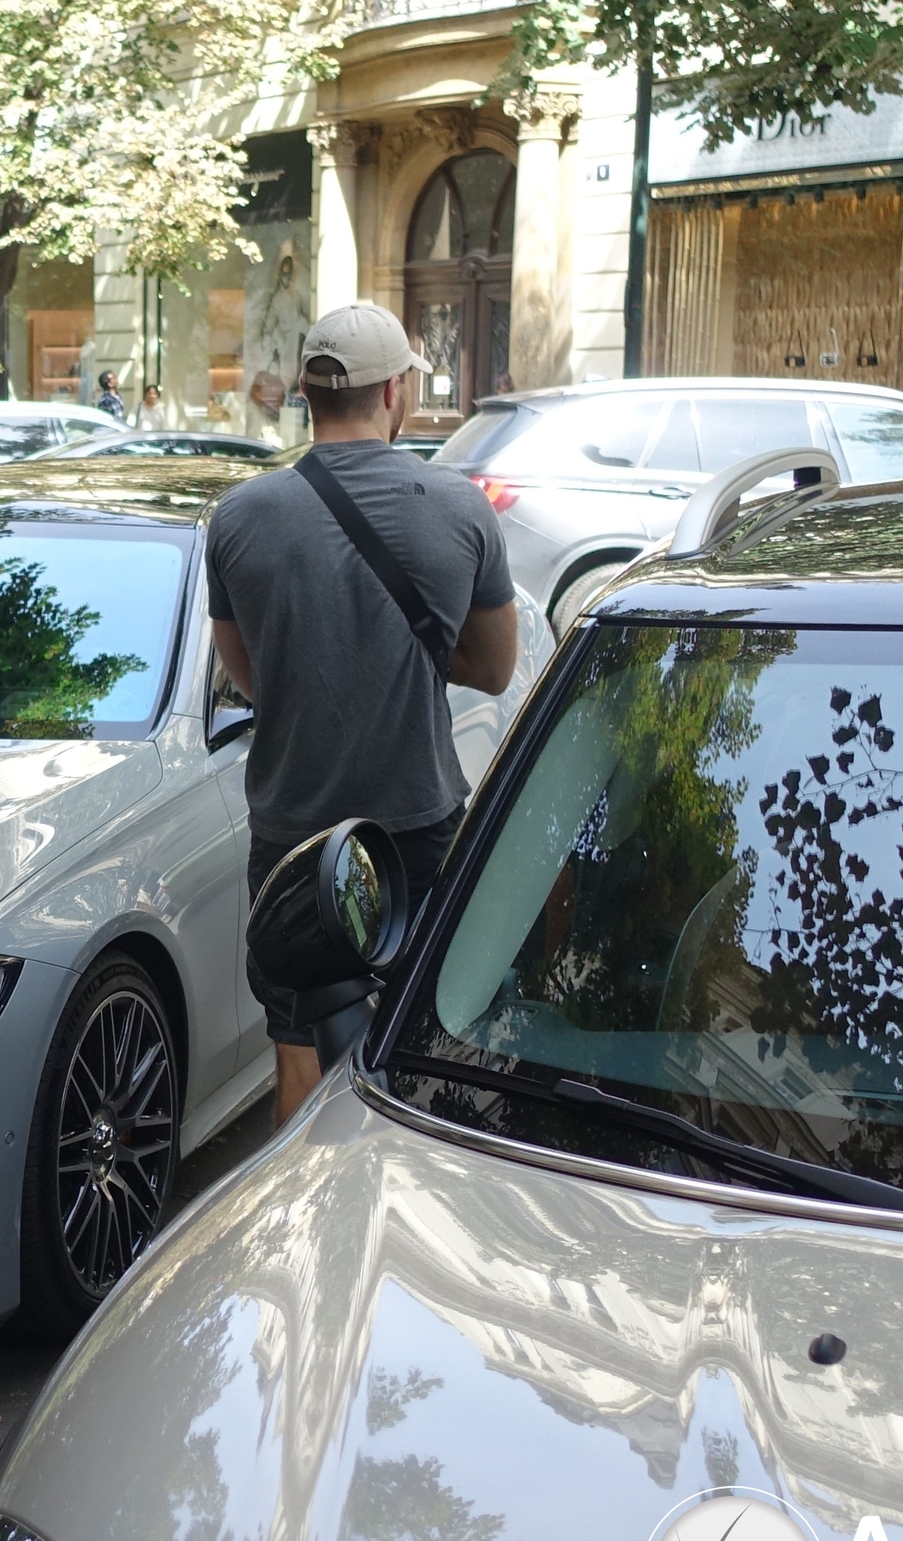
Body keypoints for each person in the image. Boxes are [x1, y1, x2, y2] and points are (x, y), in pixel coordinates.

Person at [205, 302, 521, 1122]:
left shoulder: (239, 517)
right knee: (426, 1057)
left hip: (293, 842)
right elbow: (494, 669)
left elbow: (249, 677)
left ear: (309, 394)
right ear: (397, 392)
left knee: (300, 1060)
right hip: (416, 829)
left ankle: (301, 1240)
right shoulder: (459, 510)